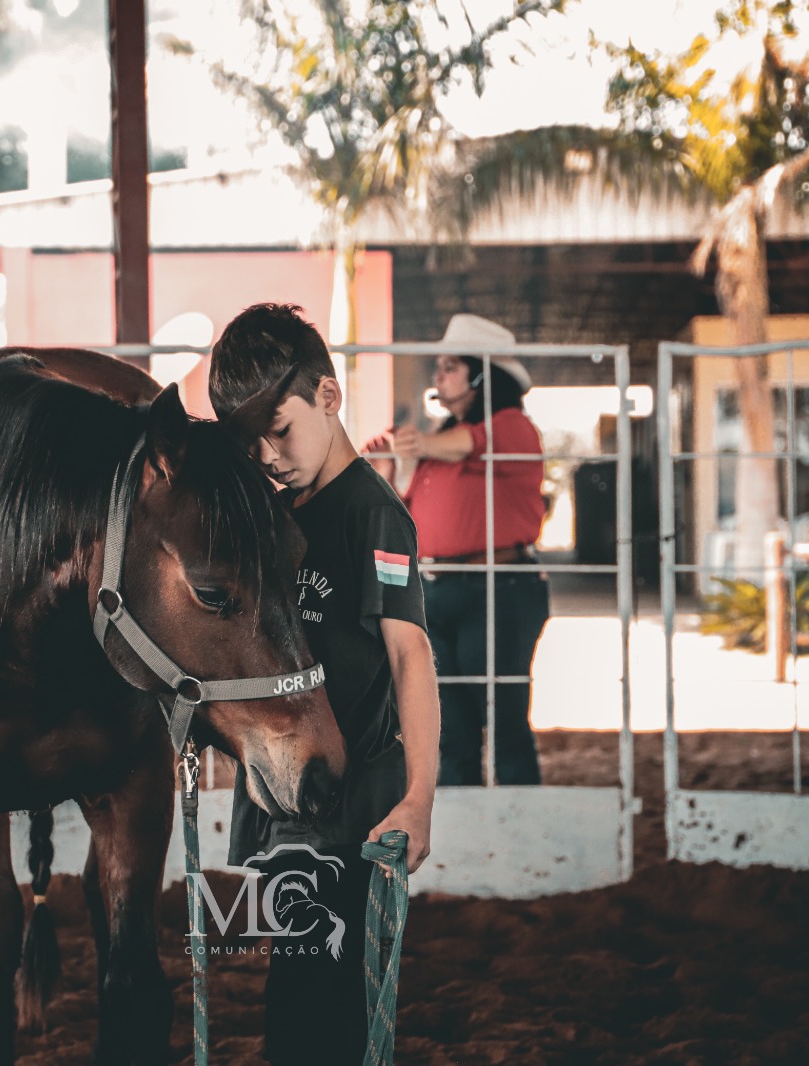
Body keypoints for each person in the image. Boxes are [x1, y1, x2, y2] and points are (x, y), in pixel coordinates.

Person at [209, 303, 441, 1066]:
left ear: (329, 397)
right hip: (285, 807)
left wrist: (418, 798)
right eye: (254, 442)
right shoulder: (270, 517)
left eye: (280, 430)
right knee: (292, 1007)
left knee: (336, 1017)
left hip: (357, 818)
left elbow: (411, 659)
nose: (269, 455)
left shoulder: (373, 519)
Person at [370, 313, 548, 787]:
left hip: (498, 588)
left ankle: (515, 816)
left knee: (504, 720)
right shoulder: (441, 442)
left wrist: (417, 444)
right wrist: (391, 467)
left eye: (450, 366)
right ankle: (466, 822)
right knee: (450, 727)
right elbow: (403, 509)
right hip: (440, 590)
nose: (439, 375)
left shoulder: (512, 427)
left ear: (482, 374)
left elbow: (469, 443)